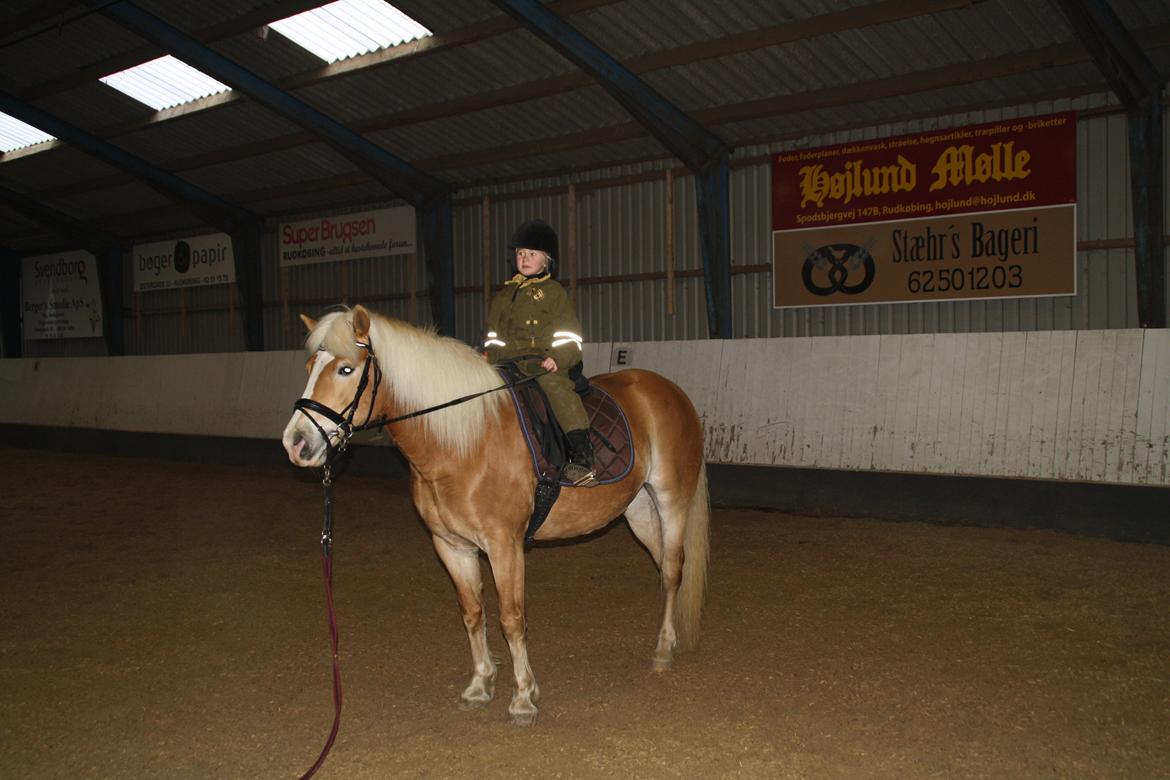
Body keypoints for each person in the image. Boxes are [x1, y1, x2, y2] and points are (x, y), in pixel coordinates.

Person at [483, 219, 597, 487]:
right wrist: (489, 356)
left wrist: (557, 359)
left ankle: (583, 457)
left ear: (546, 261)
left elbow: (569, 335)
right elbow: (493, 335)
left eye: (532, 254)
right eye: (520, 253)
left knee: (556, 389)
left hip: (542, 364)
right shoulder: (503, 295)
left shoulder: (554, 293)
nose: (524, 259)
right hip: (507, 364)